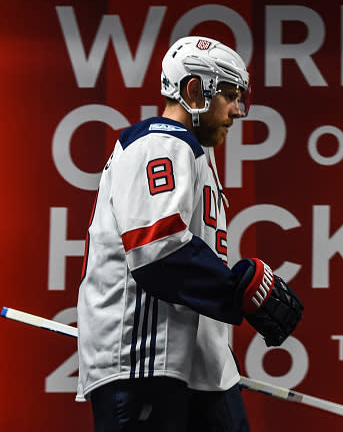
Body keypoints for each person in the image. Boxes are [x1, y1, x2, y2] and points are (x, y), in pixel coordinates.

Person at [76, 36, 304, 431]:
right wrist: (237, 289)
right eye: (230, 95)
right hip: (145, 362)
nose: (238, 110)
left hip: (196, 367)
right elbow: (158, 251)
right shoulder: (159, 142)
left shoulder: (191, 151)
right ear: (195, 90)